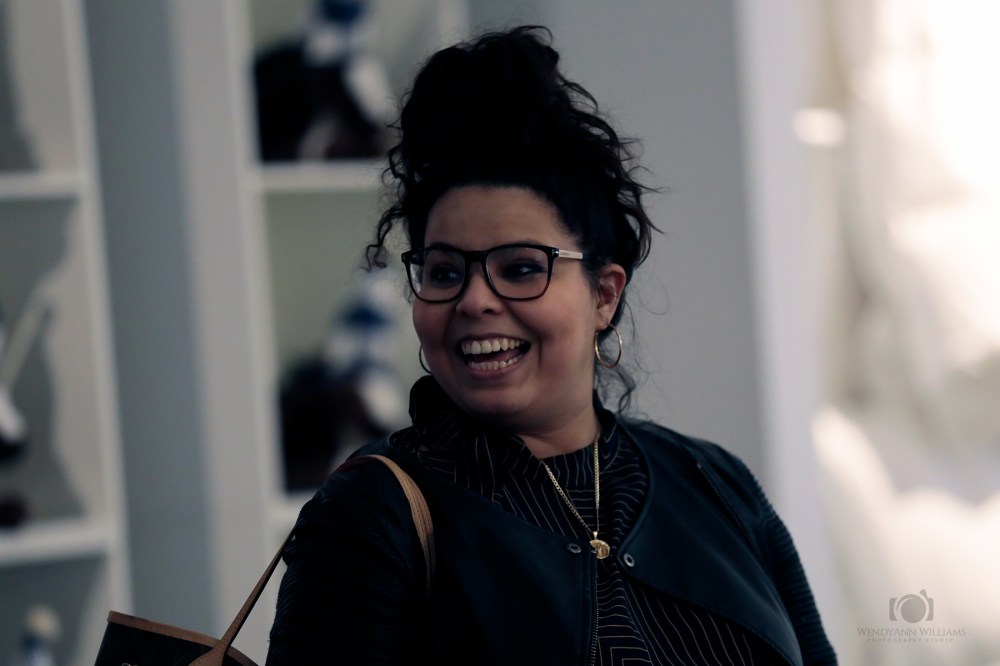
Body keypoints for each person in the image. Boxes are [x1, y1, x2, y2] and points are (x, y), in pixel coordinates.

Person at [266, 26, 837, 665]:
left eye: (519, 268)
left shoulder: (715, 484)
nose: (474, 301)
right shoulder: (374, 515)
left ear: (604, 295)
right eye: (445, 272)